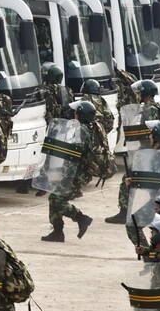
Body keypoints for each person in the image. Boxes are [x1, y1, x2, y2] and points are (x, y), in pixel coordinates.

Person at [107, 80, 160, 224]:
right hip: (156, 150)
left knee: (129, 180)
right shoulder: (157, 106)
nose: (137, 94)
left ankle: (125, 212)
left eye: (139, 92)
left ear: (144, 94)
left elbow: (149, 133)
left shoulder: (149, 110)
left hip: (149, 151)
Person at [42, 100, 111, 242]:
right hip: (79, 172)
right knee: (54, 198)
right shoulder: (91, 127)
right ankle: (57, 232)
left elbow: (73, 156)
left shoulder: (80, 131)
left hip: (74, 173)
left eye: (76, 112)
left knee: (57, 200)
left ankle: (81, 218)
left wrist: (66, 176)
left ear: (79, 115)